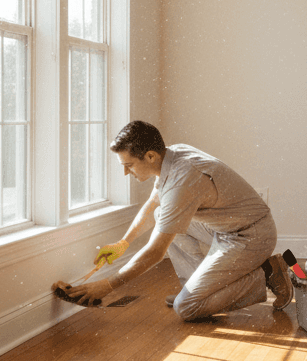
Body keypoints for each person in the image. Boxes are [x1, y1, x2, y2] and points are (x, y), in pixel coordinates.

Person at [56, 120, 291, 320]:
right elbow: (153, 205)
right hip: (228, 228)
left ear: (150, 156)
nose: (126, 172)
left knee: (187, 307)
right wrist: (123, 243)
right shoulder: (172, 155)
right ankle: (194, 287)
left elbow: (155, 252)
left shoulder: (183, 181)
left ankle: (267, 274)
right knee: (161, 214)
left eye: (129, 165)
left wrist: (107, 286)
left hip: (251, 236)